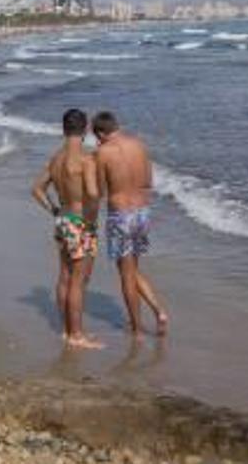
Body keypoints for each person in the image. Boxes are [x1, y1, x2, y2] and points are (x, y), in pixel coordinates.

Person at [92, 111, 168, 337]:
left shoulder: (103, 152)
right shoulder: (139, 145)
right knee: (133, 269)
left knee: (125, 274)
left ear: (100, 133)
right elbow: (149, 181)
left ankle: (136, 328)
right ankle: (159, 311)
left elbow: (99, 191)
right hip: (143, 212)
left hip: (121, 215)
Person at [32, 109, 104, 350]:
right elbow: (93, 194)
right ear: (85, 130)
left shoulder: (56, 159)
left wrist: (53, 209)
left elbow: (37, 189)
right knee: (78, 279)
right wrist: (91, 221)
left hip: (62, 218)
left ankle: (67, 330)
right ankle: (77, 335)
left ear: (64, 129)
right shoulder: (86, 160)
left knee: (64, 275)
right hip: (79, 221)